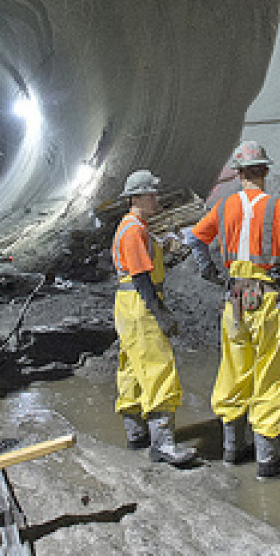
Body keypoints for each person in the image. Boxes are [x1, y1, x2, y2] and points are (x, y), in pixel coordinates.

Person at [185, 141, 280, 479]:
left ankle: (232, 449)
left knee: (233, 371)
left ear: (239, 173)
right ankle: (268, 461)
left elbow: (193, 239)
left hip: (233, 301)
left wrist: (209, 271)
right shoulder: (277, 207)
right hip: (267, 300)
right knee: (271, 377)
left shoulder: (223, 206)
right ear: (265, 172)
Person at [111, 169, 197, 466]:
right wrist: (159, 312)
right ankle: (163, 444)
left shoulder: (133, 227)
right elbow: (140, 276)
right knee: (157, 366)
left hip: (126, 304)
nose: (156, 199)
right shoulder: (134, 229)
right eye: (152, 194)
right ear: (137, 197)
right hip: (139, 303)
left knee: (133, 368)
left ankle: (136, 435)